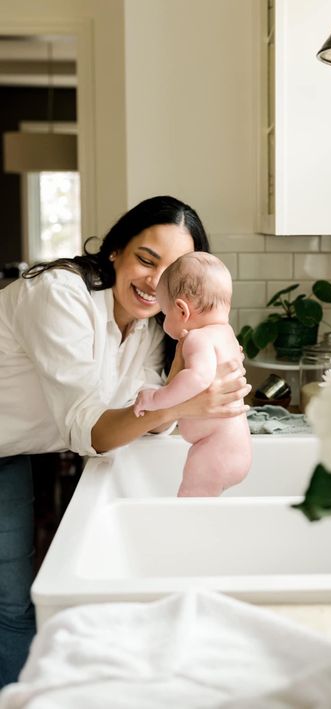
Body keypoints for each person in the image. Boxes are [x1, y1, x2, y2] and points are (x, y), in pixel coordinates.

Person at [0, 196, 251, 687]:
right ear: (116, 249)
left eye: (172, 271)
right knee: (12, 603)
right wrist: (183, 405)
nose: (154, 282)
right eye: (145, 259)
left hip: (26, 445)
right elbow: (92, 429)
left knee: (17, 597)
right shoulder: (60, 295)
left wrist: (191, 362)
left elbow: (148, 421)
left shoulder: (152, 325)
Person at [134, 252, 252, 496]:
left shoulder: (198, 338)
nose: (164, 322)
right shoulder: (226, 334)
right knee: (201, 509)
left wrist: (156, 398)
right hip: (233, 447)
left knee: (189, 504)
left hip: (215, 449)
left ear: (181, 311)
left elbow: (198, 378)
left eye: (165, 314)